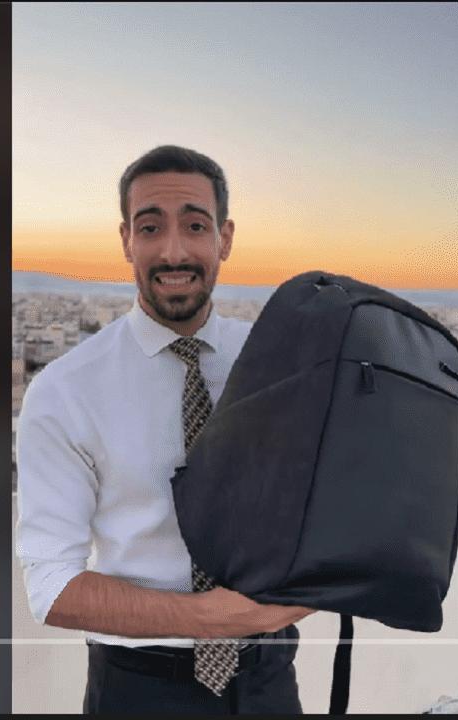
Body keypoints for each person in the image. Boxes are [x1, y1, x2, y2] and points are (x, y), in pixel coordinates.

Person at [16, 145, 316, 714]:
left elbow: (324, 513)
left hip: (269, 679)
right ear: (126, 239)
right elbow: (50, 584)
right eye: (150, 227)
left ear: (224, 238)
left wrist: (299, 597)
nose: (173, 250)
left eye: (195, 225)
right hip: (138, 688)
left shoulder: (280, 365)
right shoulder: (65, 391)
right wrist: (207, 619)